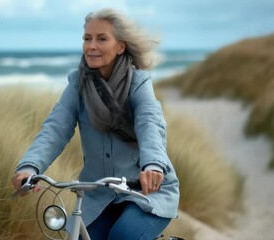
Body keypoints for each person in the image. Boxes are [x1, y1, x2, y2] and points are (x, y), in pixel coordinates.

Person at [12, 8, 179, 240]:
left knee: (123, 236)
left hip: (146, 191)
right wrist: (30, 167)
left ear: (120, 46)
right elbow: (55, 128)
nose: (91, 45)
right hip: (99, 194)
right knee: (79, 236)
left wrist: (153, 165)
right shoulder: (77, 84)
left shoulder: (138, 83)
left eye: (102, 38)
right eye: (87, 38)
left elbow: (150, 123)